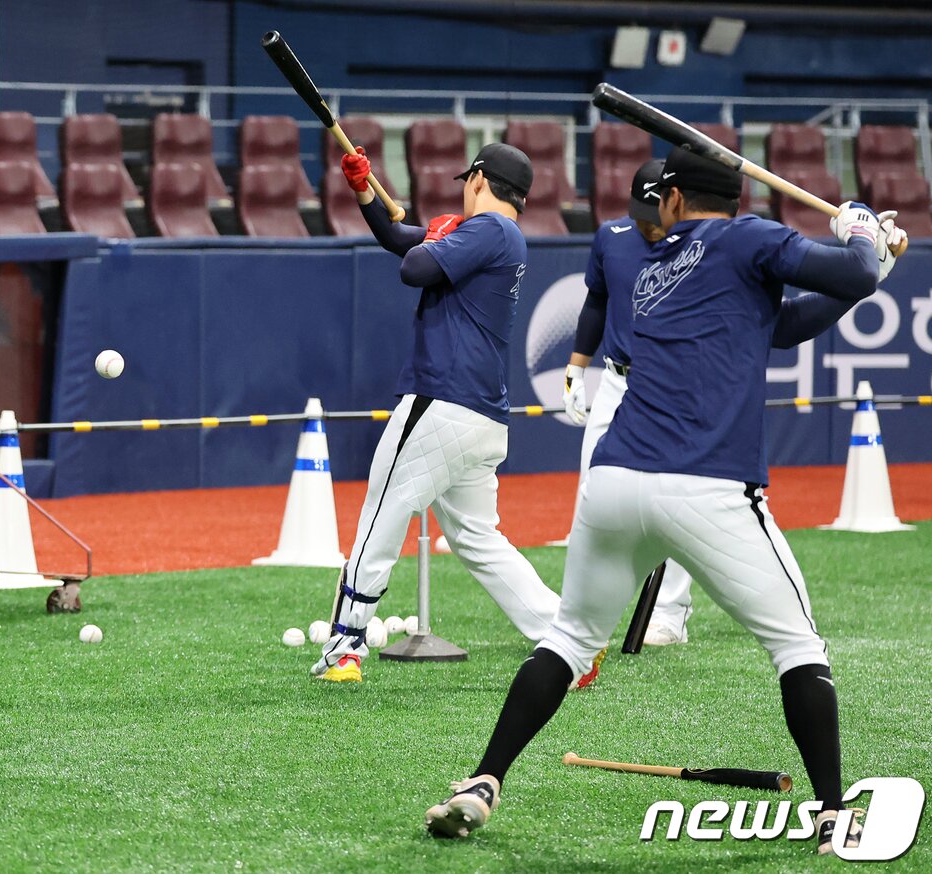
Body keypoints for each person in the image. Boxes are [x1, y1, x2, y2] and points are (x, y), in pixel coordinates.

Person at [423, 147, 905, 857]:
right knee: (798, 648)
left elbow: (783, 325)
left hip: (615, 483)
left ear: (674, 201)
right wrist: (863, 231)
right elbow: (852, 268)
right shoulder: (749, 237)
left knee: (566, 640)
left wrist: (871, 266)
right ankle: (834, 814)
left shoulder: (652, 272)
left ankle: (481, 781)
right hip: (706, 484)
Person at [312, 143, 601, 690]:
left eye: (466, 180)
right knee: (478, 539)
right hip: (480, 417)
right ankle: (571, 641)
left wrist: (438, 233)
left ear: (479, 180)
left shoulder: (488, 231)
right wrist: (364, 190)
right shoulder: (490, 234)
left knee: (380, 514)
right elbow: (399, 240)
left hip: (443, 403)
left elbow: (415, 268)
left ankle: (345, 645)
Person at [560, 159, 697, 646]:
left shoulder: (700, 246)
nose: (645, 221)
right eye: (638, 209)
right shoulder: (611, 236)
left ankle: (671, 611)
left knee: (681, 494)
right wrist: (577, 366)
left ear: (674, 202)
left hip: (676, 384)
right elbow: (596, 301)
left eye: (653, 210)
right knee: (591, 485)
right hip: (617, 381)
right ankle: (581, 607)